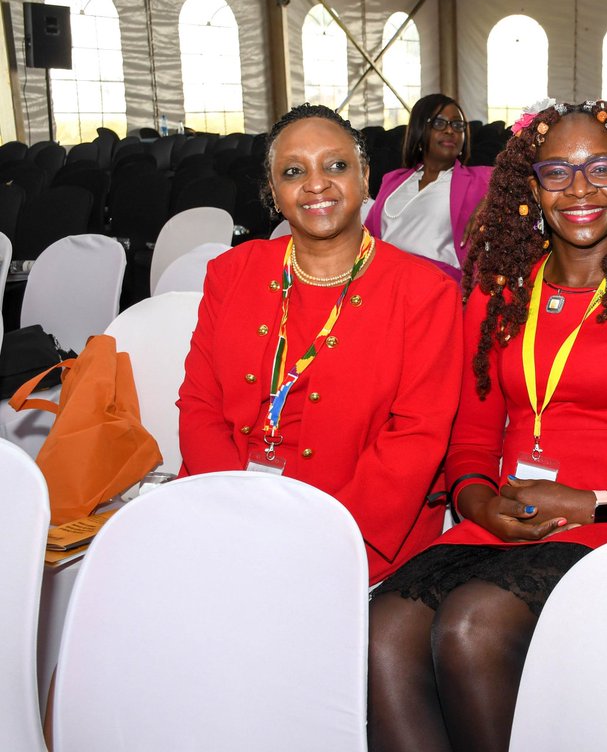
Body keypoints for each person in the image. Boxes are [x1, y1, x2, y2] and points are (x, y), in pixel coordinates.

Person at [367, 100, 607, 752]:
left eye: (601, 168)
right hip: (509, 524)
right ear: (531, 187)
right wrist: (481, 499)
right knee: (381, 633)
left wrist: (591, 503)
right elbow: (473, 442)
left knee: (470, 629)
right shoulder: (500, 292)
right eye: (558, 171)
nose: (581, 188)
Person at [177, 103, 463, 585]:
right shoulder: (231, 273)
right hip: (227, 507)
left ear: (365, 177)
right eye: (294, 171)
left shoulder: (424, 291)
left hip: (354, 531)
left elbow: (417, 435)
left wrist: (319, 535)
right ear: (273, 191)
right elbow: (199, 405)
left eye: (336, 165)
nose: (317, 184)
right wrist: (238, 511)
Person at [363, 93, 492, 281]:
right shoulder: (392, 181)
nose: (450, 131)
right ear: (420, 129)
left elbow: (526, 179)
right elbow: (367, 239)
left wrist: (489, 201)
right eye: (440, 123)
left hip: (438, 285)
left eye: (457, 125)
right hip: (384, 280)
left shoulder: (480, 179)